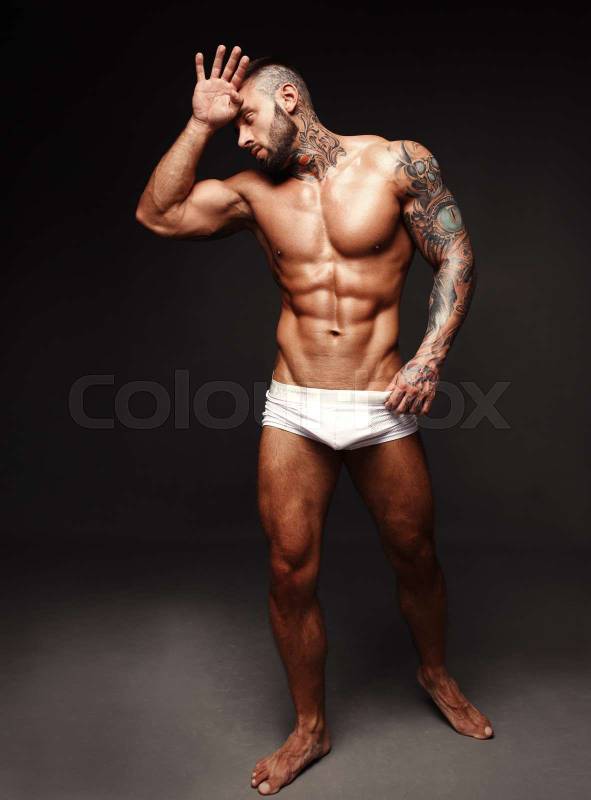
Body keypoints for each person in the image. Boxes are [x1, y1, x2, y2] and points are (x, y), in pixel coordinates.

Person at [136, 43, 494, 796]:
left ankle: (435, 673)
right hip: (296, 403)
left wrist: (430, 356)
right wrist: (200, 125)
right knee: (288, 570)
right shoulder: (251, 194)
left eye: (247, 118)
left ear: (289, 100)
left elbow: (456, 253)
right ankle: (310, 727)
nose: (242, 137)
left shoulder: (397, 163)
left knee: (415, 557)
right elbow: (157, 215)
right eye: (233, 128)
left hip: (381, 401)